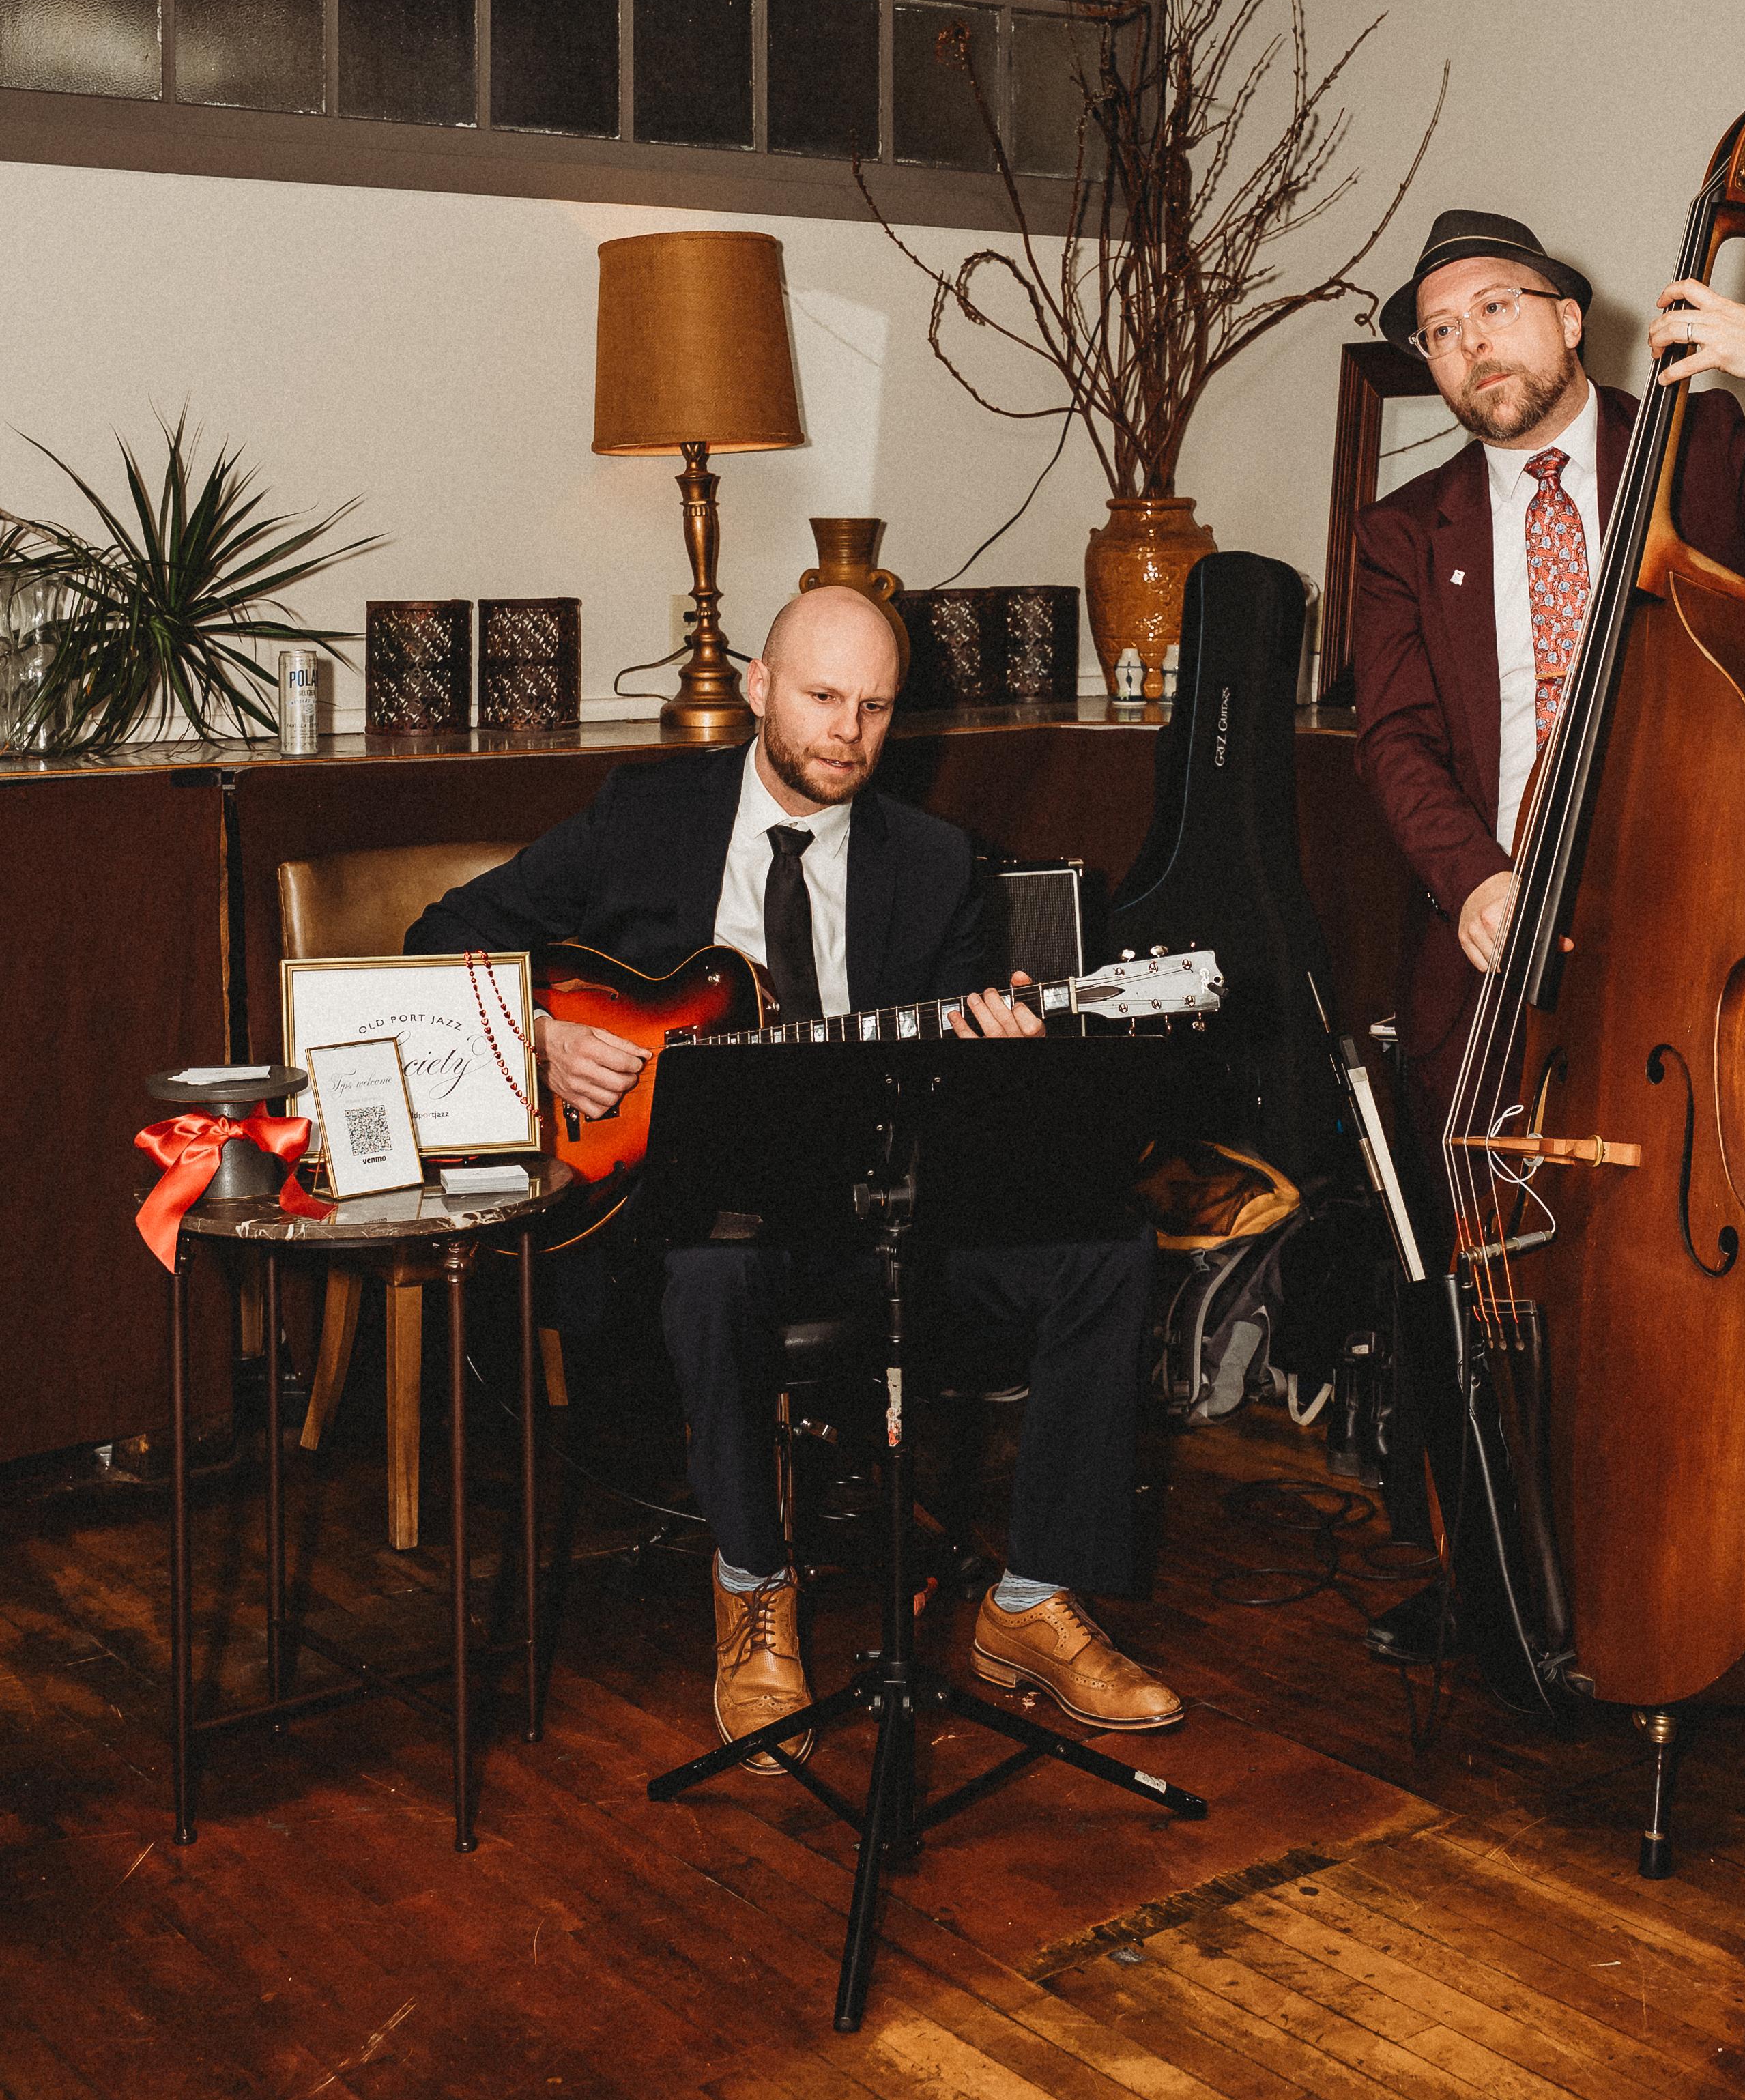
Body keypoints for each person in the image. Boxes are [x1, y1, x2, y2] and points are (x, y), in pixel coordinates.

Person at [407, 584, 1181, 1767]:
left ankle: (1029, 1601)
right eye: (822, 697)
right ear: (759, 686)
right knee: (718, 1272)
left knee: (1106, 1248)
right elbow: (439, 936)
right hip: (673, 1211)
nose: (846, 733)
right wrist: (543, 1037)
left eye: (874, 707)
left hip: (878, 1207)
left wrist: (1003, 1060)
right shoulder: (644, 815)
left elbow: (959, 1102)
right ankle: (752, 1588)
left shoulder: (935, 862)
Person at [1349, 207, 1745, 1680]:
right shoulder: (1405, 533)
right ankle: (1499, 1582)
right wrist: (1473, 880)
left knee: (1673, 1287)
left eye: (1496, 309)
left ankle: (1681, 1566)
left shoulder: (1708, 455)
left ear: (1570, 318)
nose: (1470, 346)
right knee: (1493, 1281)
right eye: (1440, 333)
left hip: (1695, 933)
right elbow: (1398, 739)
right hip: (1500, 953)